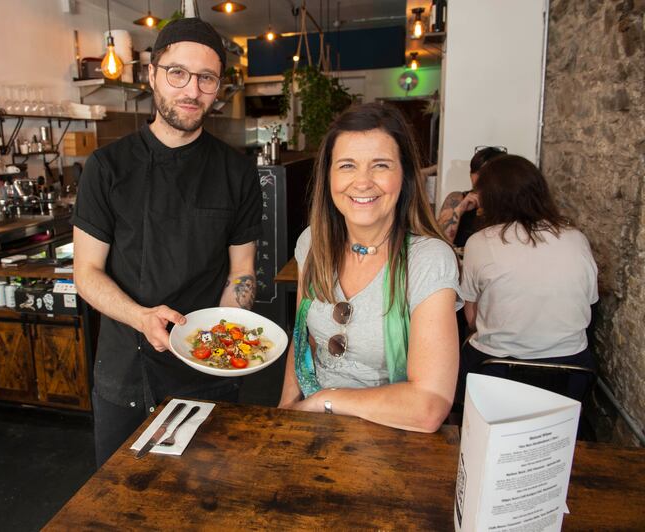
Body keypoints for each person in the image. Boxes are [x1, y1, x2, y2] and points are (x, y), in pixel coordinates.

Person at [71, 18, 262, 467]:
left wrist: (223, 339)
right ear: (152, 74)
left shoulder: (237, 173)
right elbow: (86, 273)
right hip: (126, 372)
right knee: (123, 502)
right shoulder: (106, 168)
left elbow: (243, 273)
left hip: (207, 372)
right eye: (178, 73)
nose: (191, 90)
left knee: (208, 500)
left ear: (218, 87)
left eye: (206, 78)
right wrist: (141, 317)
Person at [278, 103, 461, 433]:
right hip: (313, 428)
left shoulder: (428, 260)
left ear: (404, 175)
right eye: (347, 165)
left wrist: (325, 400)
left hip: (393, 438)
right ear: (329, 176)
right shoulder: (312, 243)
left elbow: (429, 406)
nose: (362, 182)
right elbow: (302, 340)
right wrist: (286, 410)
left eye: (380, 165)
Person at [458, 155, 598, 402]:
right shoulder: (576, 238)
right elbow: (589, 303)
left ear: (491, 198)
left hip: (496, 371)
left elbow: (472, 320)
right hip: (572, 374)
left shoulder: (480, 242)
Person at [437, 146, 507, 247]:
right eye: (475, 172)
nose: (479, 178)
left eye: (486, 173)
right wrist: (460, 209)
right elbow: (439, 245)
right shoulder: (457, 198)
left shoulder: (509, 204)